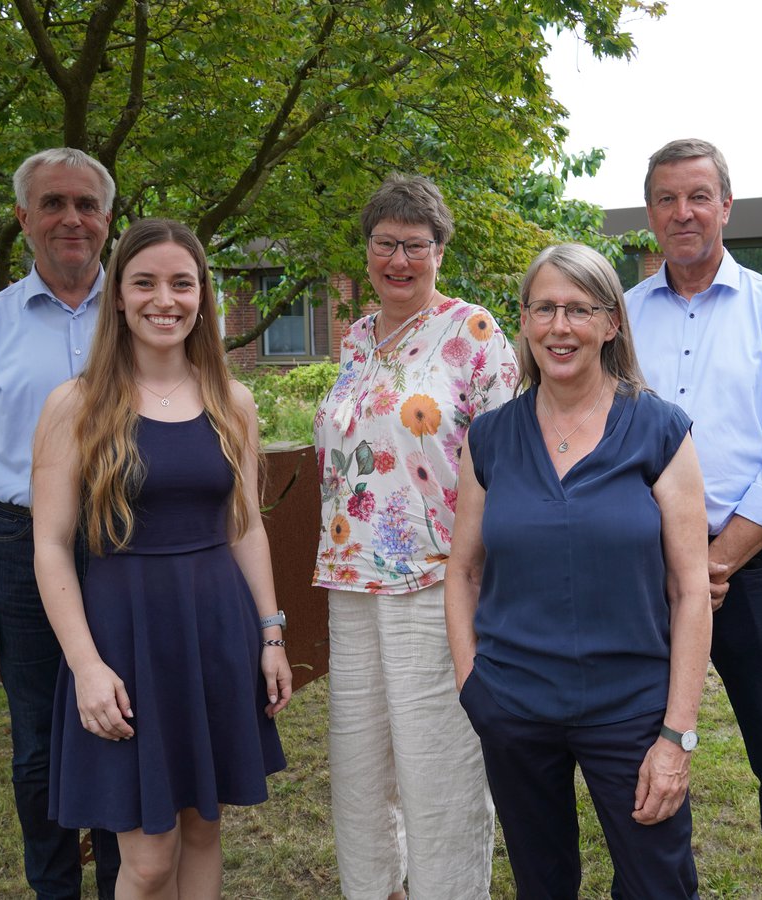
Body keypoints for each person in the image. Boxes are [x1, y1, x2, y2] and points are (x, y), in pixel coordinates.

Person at [31, 217, 290, 898]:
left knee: (204, 829)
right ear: (117, 295)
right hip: (124, 639)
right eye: (144, 283)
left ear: (203, 295)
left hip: (214, 632)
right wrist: (87, 667)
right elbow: (51, 547)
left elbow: (245, 527)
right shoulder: (76, 405)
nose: (164, 300)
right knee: (147, 861)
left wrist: (271, 634)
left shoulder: (231, 400)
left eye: (181, 283)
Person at [446, 243, 712, 898]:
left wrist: (677, 733)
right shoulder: (491, 437)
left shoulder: (659, 431)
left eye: (578, 309)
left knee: (660, 884)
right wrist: (472, 685)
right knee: (541, 881)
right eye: (544, 308)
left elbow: (690, 590)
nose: (559, 326)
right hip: (514, 703)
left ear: (610, 323)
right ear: (526, 321)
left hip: (633, 708)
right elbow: (463, 573)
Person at [626, 138, 762, 899]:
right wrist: (673, 572)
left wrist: (707, 568)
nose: (684, 212)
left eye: (698, 196)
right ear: (651, 214)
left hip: (745, 569)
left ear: (726, 206)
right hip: (640, 569)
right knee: (638, 750)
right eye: (668, 199)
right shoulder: (623, 316)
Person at [313, 174, 517, 899]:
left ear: (439, 251)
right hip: (348, 572)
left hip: (438, 578)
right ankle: (376, 890)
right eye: (385, 244)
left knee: (438, 763)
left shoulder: (474, 332)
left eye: (416, 246)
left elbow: (508, 463)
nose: (399, 260)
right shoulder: (357, 336)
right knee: (360, 762)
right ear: (366, 250)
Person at [0, 147, 121, 898]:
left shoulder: (139, 312)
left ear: (107, 219)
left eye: (86, 204)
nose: (70, 218)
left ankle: (122, 883)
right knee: (39, 743)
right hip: (17, 544)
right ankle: (54, 889)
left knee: (121, 720)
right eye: (52, 203)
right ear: (22, 217)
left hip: (122, 542)